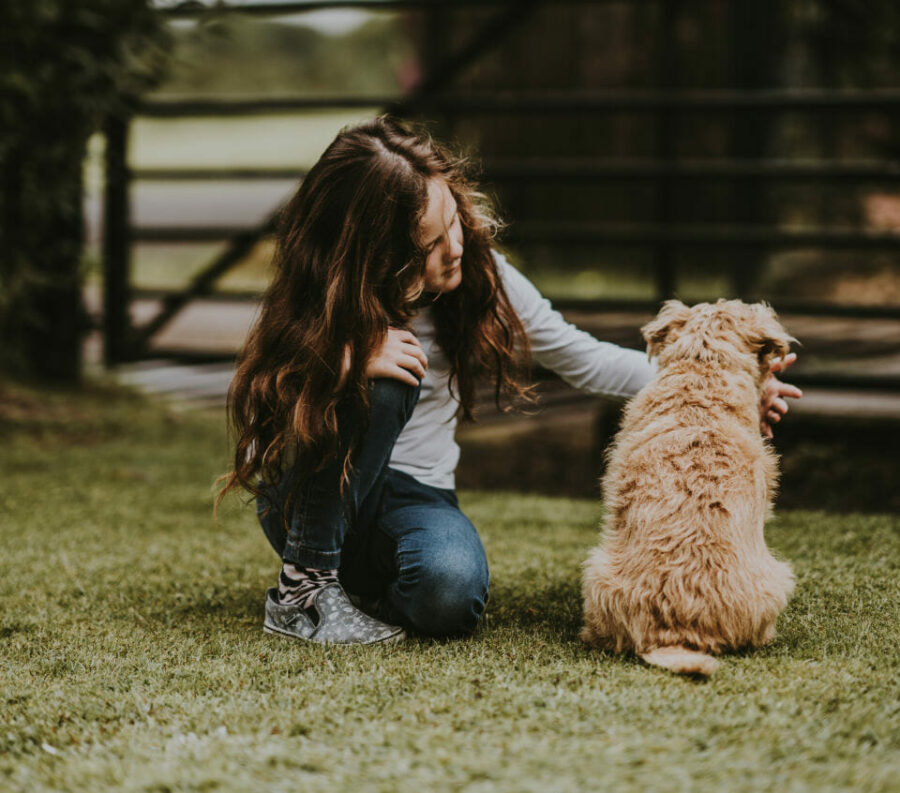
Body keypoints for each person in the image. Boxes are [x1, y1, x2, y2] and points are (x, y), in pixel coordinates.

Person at [219, 116, 801, 645]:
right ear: (378, 254)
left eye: (453, 221)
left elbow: (580, 355)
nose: (456, 245)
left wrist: (730, 382)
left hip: (414, 493)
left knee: (450, 598)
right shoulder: (322, 293)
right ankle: (303, 593)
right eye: (430, 243)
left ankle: (359, 597)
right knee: (391, 373)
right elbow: (263, 401)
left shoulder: (479, 272)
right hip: (308, 493)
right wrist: (345, 360)